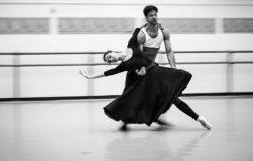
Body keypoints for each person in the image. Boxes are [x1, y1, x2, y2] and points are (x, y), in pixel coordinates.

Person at [78, 14, 212, 130]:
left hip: (155, 72)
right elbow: (107, 73)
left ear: (112, 51)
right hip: (147, 78)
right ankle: (131, 120)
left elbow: (139, 29)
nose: (112, 58)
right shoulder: (124, 66)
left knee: (172, 97)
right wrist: (89, 77)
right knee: (139, 96)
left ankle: (199, 118)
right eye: (110, 60)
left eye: (110, 55)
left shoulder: (131, 44)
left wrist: (154, 23)